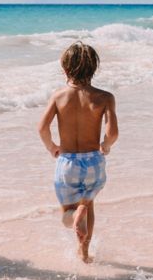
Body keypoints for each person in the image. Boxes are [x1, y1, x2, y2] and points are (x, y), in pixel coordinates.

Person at [38, 41, 118, 263]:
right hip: (94, 161)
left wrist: (52, 147)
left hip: (68, 163)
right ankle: (84, 252)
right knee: (88, 203)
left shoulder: (59, 96)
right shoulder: (105, 97)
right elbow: (112, 133)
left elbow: (42, 128)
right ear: (94, 68)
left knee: (67, 215)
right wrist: (106, 146)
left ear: (64, 69)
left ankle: (75, 216)